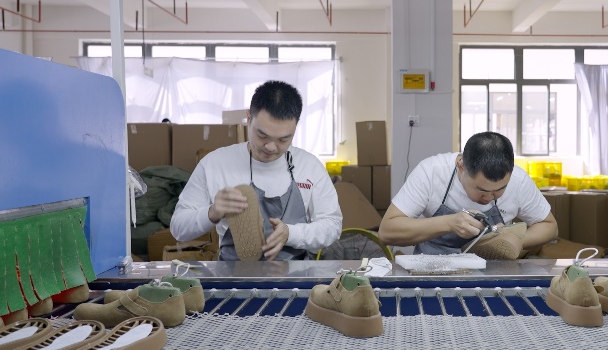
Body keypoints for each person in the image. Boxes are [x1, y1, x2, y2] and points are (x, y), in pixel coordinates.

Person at [170, 80, 342, 260]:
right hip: (232, 274)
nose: (271, 147)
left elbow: (333, 226)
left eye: (283, 139)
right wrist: (211, 213)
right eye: (262, 135)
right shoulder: (214, 164)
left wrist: (291, 234)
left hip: (296, 273)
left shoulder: (309, 166)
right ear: (248, 118)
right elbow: (178, 228)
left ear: (296, 126)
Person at [378, 131, 557, 255]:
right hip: (432, 273)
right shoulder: (431, 172)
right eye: (482, 190)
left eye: (499, 190)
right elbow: (387, 232)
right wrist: (448, 223)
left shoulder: (519, 180)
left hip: (494, 274)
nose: (489, 197)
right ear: (461, 167)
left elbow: (549, 226)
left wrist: (509, 239)